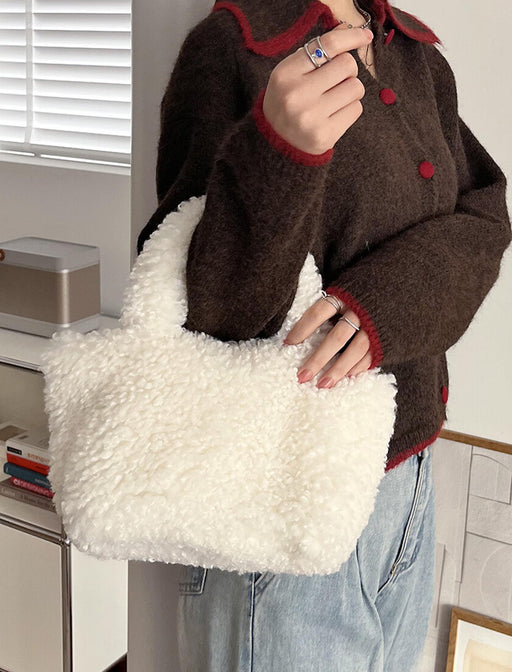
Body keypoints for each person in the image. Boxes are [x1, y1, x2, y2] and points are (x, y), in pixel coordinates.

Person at [136, 0, 511, 669]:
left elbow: (485, 214)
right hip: (286, 497)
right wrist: (279, 154)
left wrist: (387, 304)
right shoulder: (231, 49)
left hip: (408, 483)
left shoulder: (415, 56)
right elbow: (203, 314)